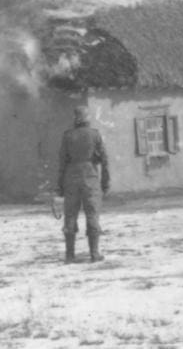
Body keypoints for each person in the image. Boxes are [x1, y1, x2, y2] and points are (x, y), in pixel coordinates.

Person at [55, 105, 110, 263]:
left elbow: (62, 163)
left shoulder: (67, 136)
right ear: (88, 118)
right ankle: (94, 253)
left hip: (71, 179)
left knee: (70, 216)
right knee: (92, 215)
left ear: (75, 118)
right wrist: (105, 183)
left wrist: (59, 187)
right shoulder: (95, 135)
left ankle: (70, 255)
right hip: (90, 179)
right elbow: (105, 161)